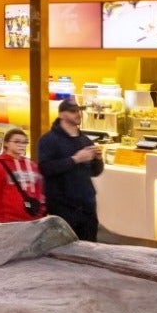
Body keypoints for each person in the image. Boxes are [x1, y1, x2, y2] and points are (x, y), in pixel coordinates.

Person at [36, 99, 103, 242]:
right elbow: (45, 168)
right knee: (65, 247)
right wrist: (75, 159)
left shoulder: (85, 140)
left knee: (90, 246)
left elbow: (95, 172)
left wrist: (98, 159)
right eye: (72, 111)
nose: (77, 114)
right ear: (61, 114)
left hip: (87, 205)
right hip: (62, 206)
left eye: (78, 110)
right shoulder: (48, 140)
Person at [0, 126, 46, 223]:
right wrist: (0, 219)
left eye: (24, 142)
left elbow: (40, 191)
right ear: (6, 143)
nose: (21, 145)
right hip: (9, 222)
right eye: (17, 141)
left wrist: (40, 212)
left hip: (33, 220)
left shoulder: (32, 165)